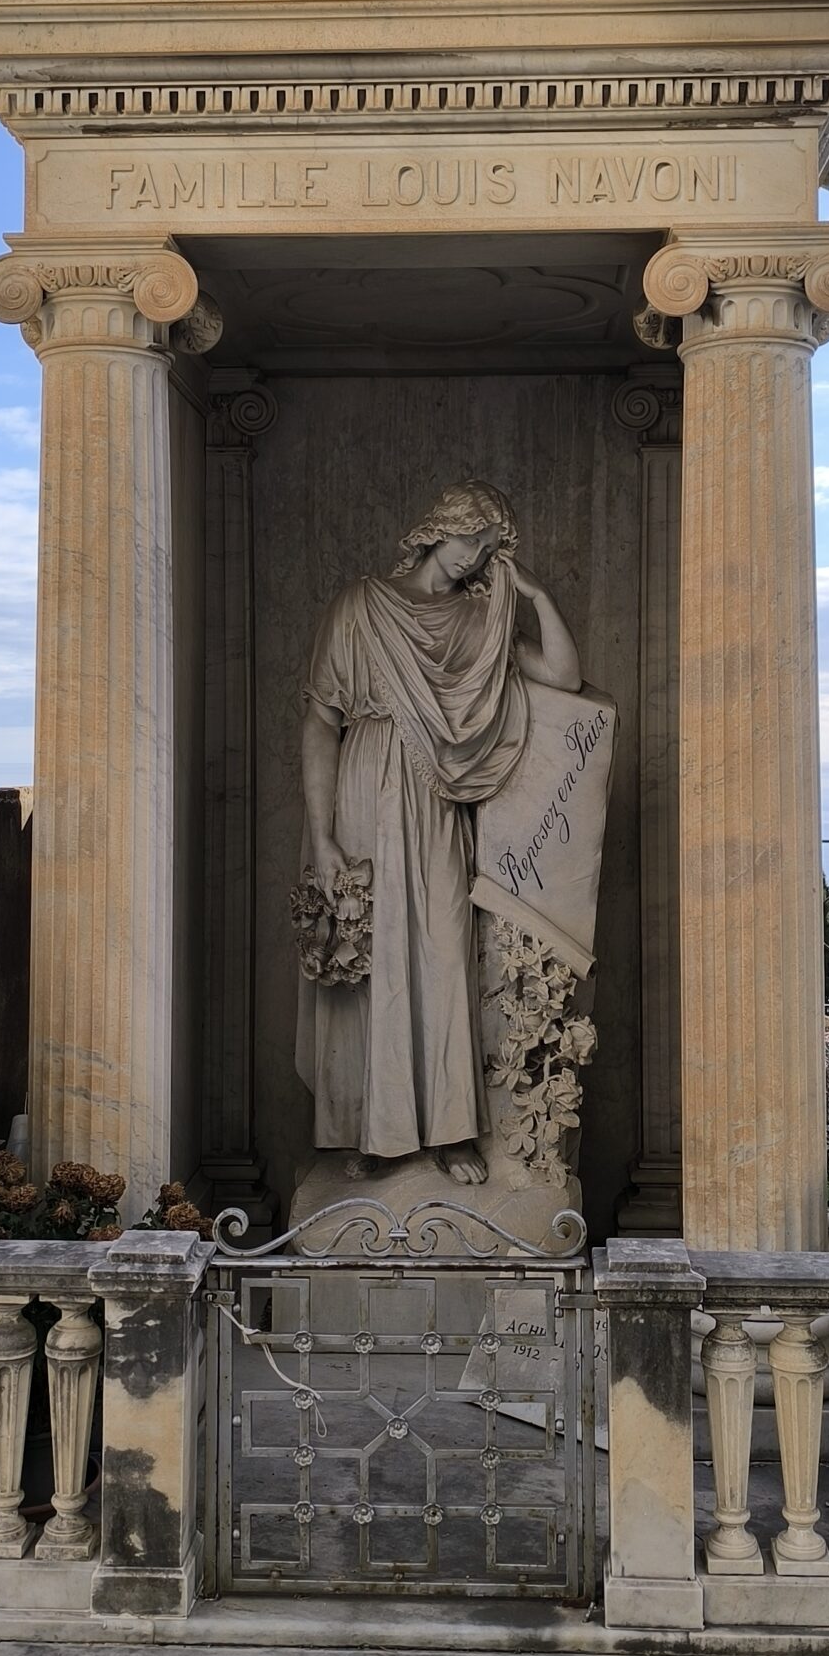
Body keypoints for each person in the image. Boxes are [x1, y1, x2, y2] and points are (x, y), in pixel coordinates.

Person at [295, 481, 581, 1184]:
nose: (475, 559)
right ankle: (369, 1128)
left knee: (443, 953)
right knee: (372, 958)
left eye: (488, 551)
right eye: (471, 542)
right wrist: (322, 835)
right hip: (364, 789)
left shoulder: (479, 623)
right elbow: (320, 723)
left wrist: (536, 597)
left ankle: (450, 1130)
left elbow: (566, 679)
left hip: (437, 796)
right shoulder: (361, 606)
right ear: (440, 529)